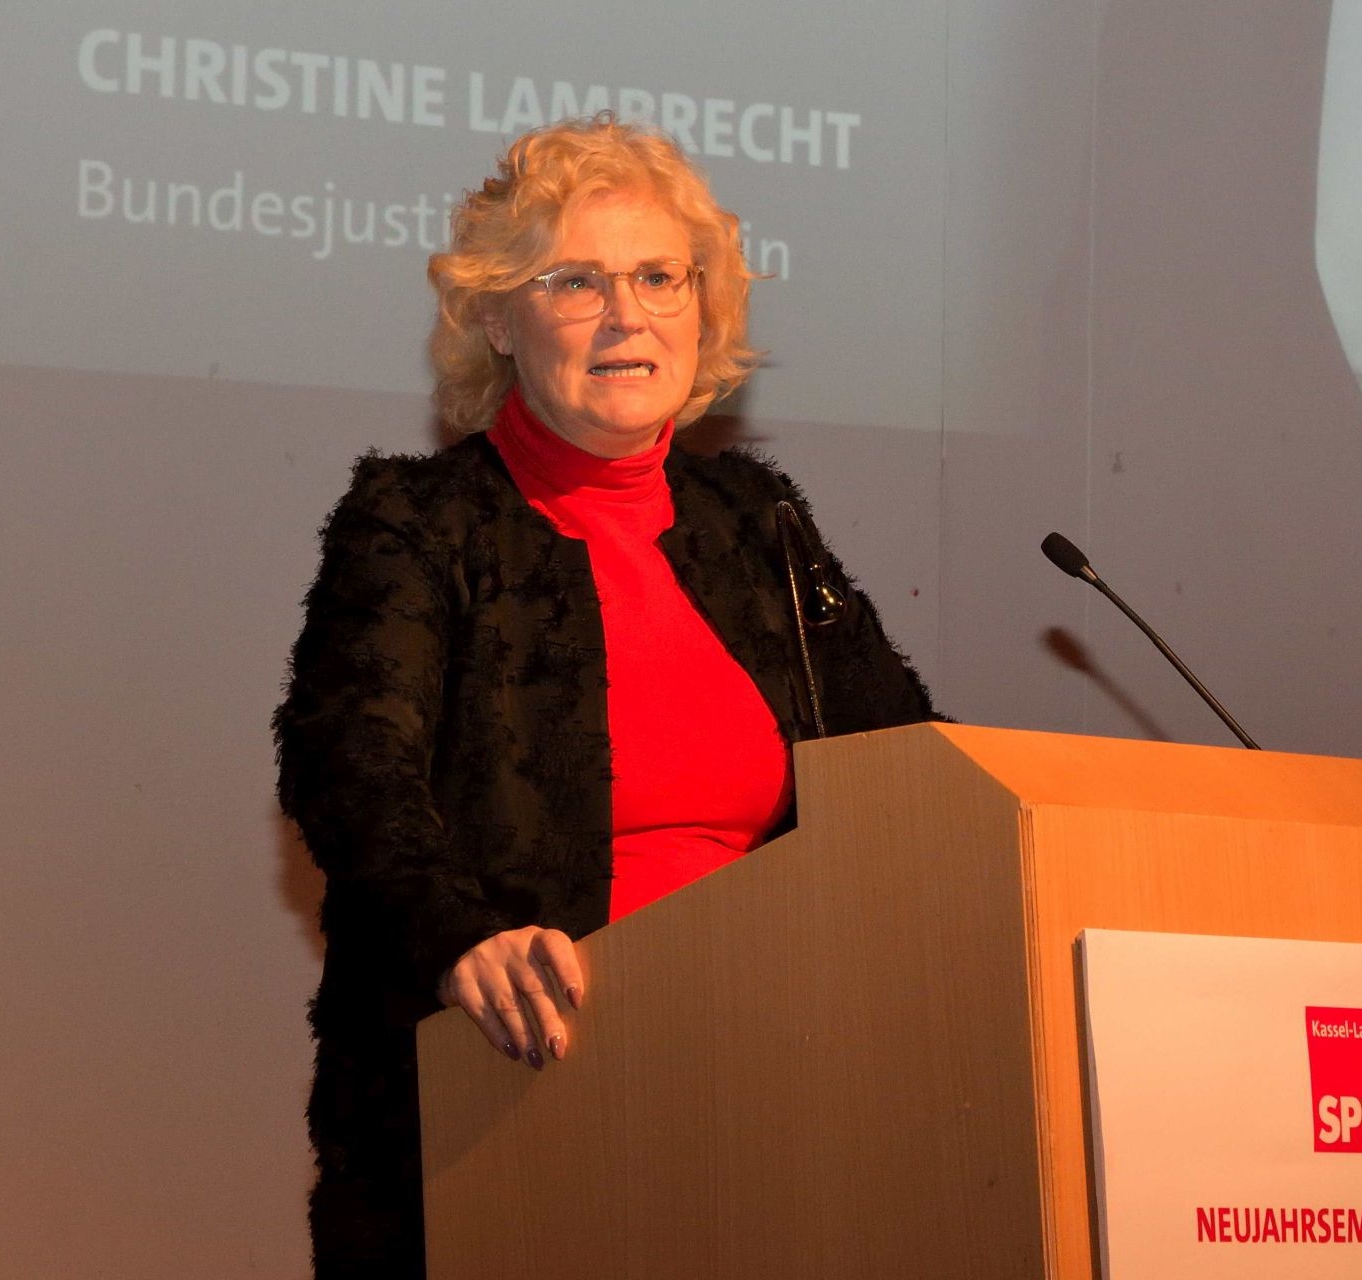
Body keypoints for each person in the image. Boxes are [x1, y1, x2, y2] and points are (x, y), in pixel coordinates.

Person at [273, 114, 939, 1278]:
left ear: (702, 309)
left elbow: (909, 764)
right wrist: (460, 936)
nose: (628, 314)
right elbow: (350, 765)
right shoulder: (421, 524)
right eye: (576, 281)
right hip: (522, 1078)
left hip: (776, 1075)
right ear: (499, 319)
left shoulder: (759, 525)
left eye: (658, 277)